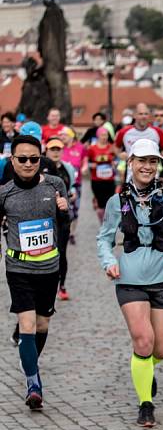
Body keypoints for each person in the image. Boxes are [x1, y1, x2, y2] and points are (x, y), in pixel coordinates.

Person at [97, 139, 163, 427]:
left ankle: (143, 370)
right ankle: (145, 404)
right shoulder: (117, 201)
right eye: (142, 161)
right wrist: (108, 261)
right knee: (143, 340)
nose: (147, 167)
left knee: (161, 349)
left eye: (152, 161)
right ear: (131, 162)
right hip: (129, 279)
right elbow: (103, 238)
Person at [0, 134, 69, 410]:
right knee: (26, 325)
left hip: (48, 268)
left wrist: (63, 212)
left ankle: (28, 360)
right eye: (22, 159)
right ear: (12, 160)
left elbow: (64, 226)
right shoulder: (4, 193)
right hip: (18, 268)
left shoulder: (55, 185)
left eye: (34, 159)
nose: (28, 164)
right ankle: (33, 383)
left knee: (42, 326)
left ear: (40, 159)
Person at [45, 138, 76, 301]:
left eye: (58, 149)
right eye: (52, 149)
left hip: (62, 218)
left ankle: (61, 286)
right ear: (46, 151)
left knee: (61, 253)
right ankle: (46, 284)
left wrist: (71, 195)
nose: (56, 152)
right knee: (46, 253)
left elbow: (71, 188)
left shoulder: (68, 168)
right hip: (45, 218)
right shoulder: (41, 169)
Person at [60, 127, 86, 244]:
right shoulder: (59, 148)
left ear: (71, 136)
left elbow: (84, 160)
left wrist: (85, 167)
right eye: (61, 135)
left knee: (75, 210)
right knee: (62, 208)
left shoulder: (80, 147)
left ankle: (72, 233)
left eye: (64, 135)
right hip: (62, 184)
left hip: (76, 183)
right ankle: (62, 230)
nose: (62, 137)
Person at [87, 126, 117, 223]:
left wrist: (114, 164)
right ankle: (102, 222)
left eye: (106, 135)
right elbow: (87, 163)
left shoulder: (112, 148)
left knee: (110, 203)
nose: (104, 137)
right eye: (102, 135)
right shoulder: (92, 148)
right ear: (98, 136)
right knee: (101, 204)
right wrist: (93, 165)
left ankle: (108, 222)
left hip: (110, 180)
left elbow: (117, 160)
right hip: (97, 180)